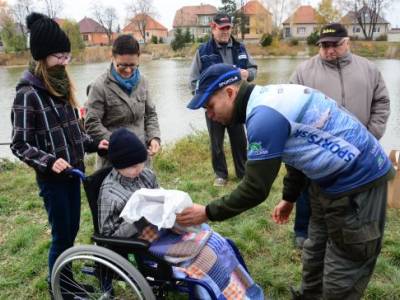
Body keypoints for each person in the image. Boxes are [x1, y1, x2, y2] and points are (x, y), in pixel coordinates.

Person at [177, 63, 395, 299]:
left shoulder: (263, 117)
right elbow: (299, 150)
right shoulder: (263, 100)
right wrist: (289, 197)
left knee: (344, 266)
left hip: (359, 181)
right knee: (315, 251)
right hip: (324, 182)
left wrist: (207, 212)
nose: (209, 115)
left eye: (209, 106)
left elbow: (255, 189)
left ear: (230, 93)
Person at [98, 128, 264, 300]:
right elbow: (108, 235)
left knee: (215, 241)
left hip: (165, 228)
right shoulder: (110, 193)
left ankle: (245, 291)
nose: (139, 168)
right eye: (133, 166)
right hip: (141, 241)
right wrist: (140, 218)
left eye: (141, 162)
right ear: (118, 165)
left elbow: (160, 199)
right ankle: (216, 294)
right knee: (203, 259)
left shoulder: (145, 174)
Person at [10, 12, 108, 298]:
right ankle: (59, 290)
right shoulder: (27, 95)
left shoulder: (62, 88)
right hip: (53, 182)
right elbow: (19, 144)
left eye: (67, 57)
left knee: (71, 231)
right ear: (42, 57)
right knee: (60, 237)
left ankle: (66, 282)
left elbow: (74, 132)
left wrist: (93, 144)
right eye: (59, 57)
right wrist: (50, 162)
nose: (64, 63)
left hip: (74, 175)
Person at [289, 23, 391, 249]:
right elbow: (291, 108)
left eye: (335, 45)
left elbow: (382, 102)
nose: (329, 50)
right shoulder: (303, 71)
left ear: (347, 42)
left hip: (360, 148)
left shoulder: (369, 69)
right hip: (317, 149)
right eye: (324, 46)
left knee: (355, 190)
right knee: (308, 190)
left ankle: (354, 231)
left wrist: (371, 133)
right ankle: (302, 232)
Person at [189, 12, 257, 186]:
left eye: (228, 28)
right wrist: (205, 101)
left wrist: (247, 73)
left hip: (237, 105)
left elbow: (254, 70)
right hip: (214, 106)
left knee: (240, 141)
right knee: (216, 143)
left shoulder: (241, 48)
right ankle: (221, 175)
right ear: (213, 28)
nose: (226, 31)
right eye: (222, 28)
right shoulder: (202, 51)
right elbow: (193, 81)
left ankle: (243, 173)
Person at [85, 34, 161, 170]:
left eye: (133, 65)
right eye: (122, 65)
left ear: (138, 58)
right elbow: (91, 123)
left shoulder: (144, 82)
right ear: (113, 58)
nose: (128, 70)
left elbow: (150, 115)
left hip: (142, 159)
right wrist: (120, 143)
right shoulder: (98, 86)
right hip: (113, 160)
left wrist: (154, 138)